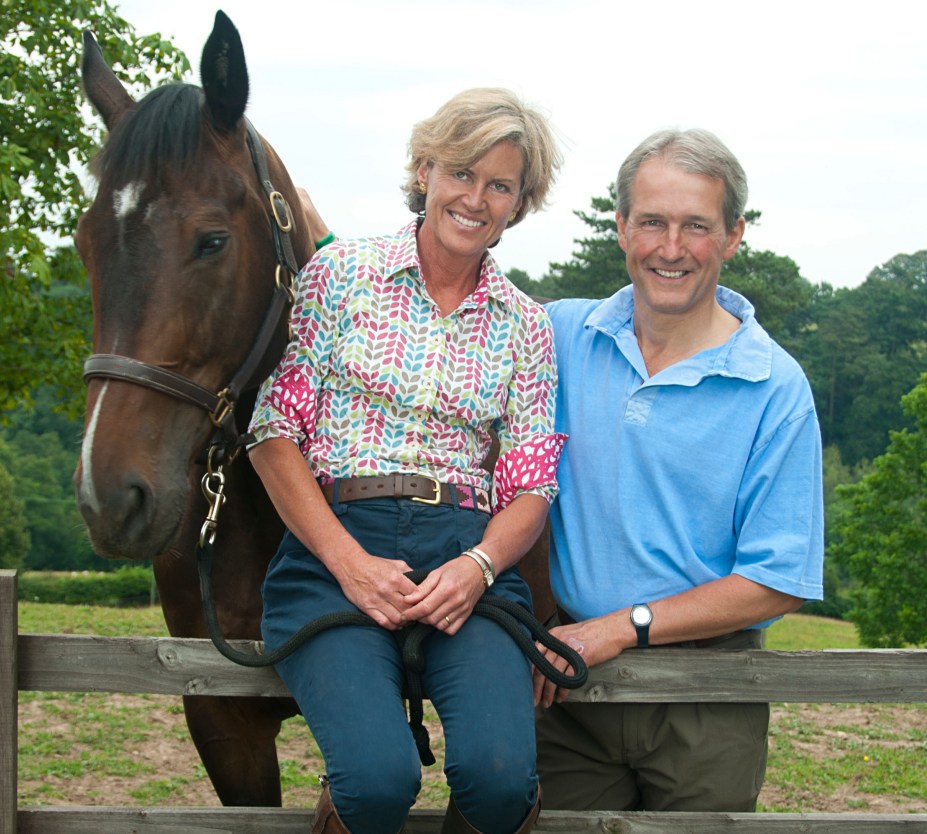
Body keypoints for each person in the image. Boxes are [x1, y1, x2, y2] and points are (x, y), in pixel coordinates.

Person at [248, 88, 565, 834]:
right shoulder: (340, 278)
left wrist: (479, 568)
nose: (475, 197)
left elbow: (530, 485)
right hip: (337, 545)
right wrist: (348, 562)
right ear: (424, 169)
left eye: (499, 185)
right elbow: (272, 431)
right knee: (379, 780)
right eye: (461, 172)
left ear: (519, 203)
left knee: (497, 781)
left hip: (464, 553)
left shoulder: (526, 326)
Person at [532, 128, 824, 812]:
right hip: (566, 688)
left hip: (706, 691)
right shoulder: (559, 337)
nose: (670, 248)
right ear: (621, 228)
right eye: (652, 222)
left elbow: (775, 580)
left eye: (695, 225)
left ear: (731, 236)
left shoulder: (772, 386)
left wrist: (618, 626)